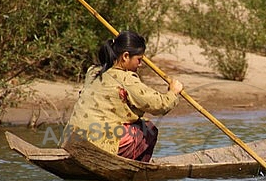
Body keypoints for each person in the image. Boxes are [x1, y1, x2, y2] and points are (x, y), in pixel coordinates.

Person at [62, 30, 183, 162]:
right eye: (139, 59)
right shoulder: (126, 80)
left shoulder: (92, 71)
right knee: (148, 129)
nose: (140, 64)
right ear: (125, 56)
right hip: (97, 144)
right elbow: (160, 105)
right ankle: (135, 171)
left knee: (133, 122)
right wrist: (173, 92)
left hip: (70, 139)